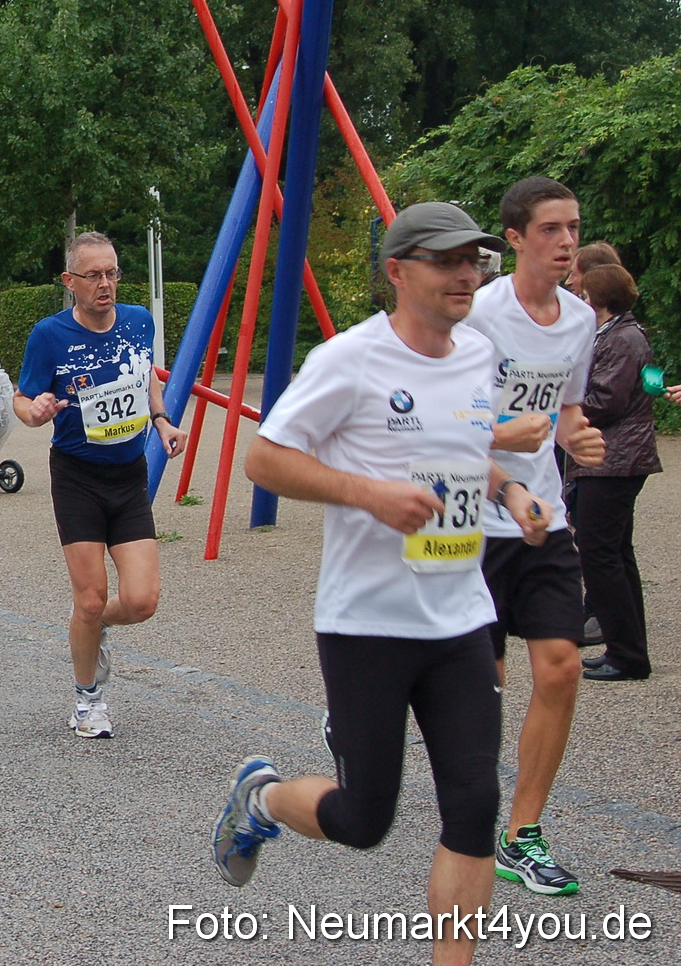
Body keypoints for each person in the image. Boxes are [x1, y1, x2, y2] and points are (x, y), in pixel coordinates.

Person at [215, 204, 549, 966]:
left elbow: (463, 446)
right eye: (448, 260)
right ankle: (260, 798)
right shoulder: (350, 359)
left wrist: (507, 494)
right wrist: (370, 494)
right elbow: (264, 460)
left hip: (459, 616)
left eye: (475, 259)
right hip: (369, 622)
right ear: (398, 272)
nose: (467, 273)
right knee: (366, 819)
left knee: (473, 802)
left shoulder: (474, 354)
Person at [463, 177, 605, 897]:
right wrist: (502, 449)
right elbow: (442, 424)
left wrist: (578, 441)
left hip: (544, 518)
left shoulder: (580, 320)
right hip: (475, 520)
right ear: (514, 238)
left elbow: (566, 411)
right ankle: (376, 702)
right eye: (551, 229)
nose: (567, 242)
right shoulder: (479, 316)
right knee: (481, 687)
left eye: (574, 227)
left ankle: (523, 834)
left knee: (561, 666)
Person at [13, 231, 188, 739]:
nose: (105, 284)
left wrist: (162, 420)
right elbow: (23, 401)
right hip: (77, 477)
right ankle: (88, 700)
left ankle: (94, 628)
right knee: (90, 598)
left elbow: (146, 377)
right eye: (93, 275)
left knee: (141, 601)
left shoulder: (139, 321)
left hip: (130, 475)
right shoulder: (48, 335)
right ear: (71, 282)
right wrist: (35, 410)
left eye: (112, 272)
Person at [568, 264, 660, 682]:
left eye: (584, 292)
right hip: (616, 457)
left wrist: (557, 406)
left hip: (614, 459)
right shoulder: (616, 334)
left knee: (599, 553)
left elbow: (606, 400)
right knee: (616, 554)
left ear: (599, 298)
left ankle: (627, 655)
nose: (578, 297)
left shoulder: (623, 338)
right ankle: (627, 650)